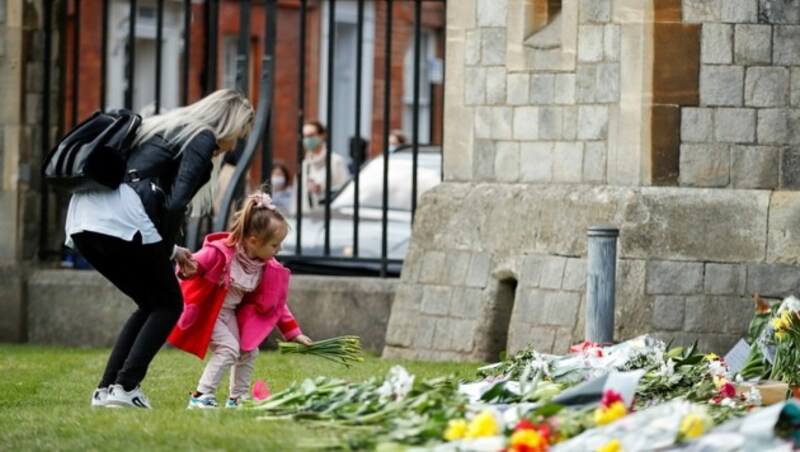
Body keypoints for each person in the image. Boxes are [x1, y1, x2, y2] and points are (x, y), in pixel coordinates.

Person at [65, 89, 254, 409]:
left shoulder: (166, 128)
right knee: (168, 303)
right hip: (122, 221)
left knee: (150, 302)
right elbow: (176, 202)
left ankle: (107, 389)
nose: (234, 146)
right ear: (227, 124)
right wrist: (168, 250)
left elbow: (145, 189)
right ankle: (125, 387)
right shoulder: (202, 137)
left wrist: (172, 250)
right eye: (238, 135)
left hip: (84, 219)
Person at [167, 190, 312, 409]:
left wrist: (294, 333)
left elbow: (277, 304)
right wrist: (188, 271)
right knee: (228, 349)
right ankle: (201, 396)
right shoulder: (220, 253)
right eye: (274, 245)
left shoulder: (265, 267)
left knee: (248, 350)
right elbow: (188, 264)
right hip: (208, 312)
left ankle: (238, 398)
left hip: (228, 314)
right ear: (253, 241)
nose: (279, 249)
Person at [296, 120, 350, 214]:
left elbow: (346, 190)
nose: (308, 140)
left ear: (322, 135)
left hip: (331, 216)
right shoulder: (305, 164)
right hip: (307, 217)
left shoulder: (335, 161)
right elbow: (298, 196)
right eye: (305, 136)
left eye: (311, 135)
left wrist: (322, 188)